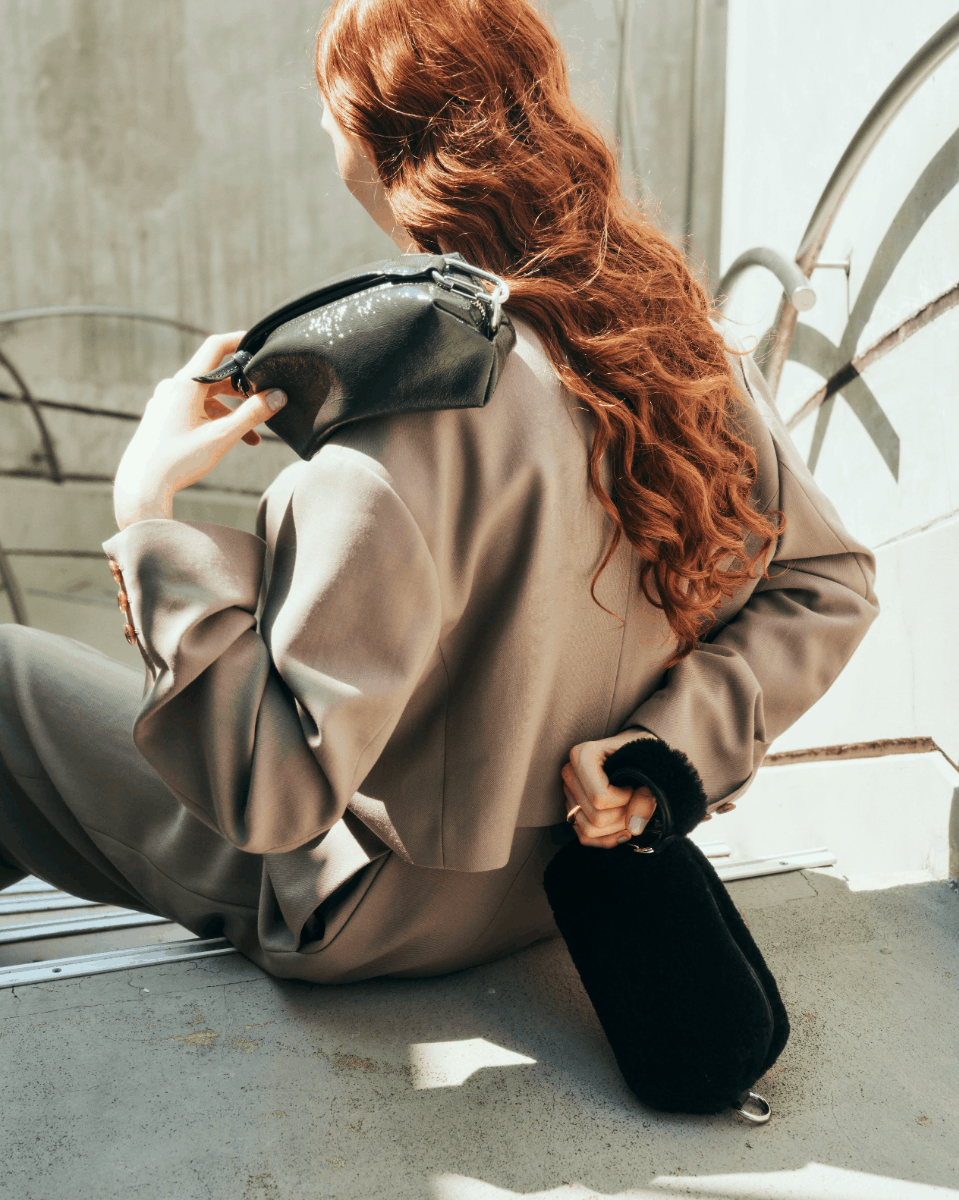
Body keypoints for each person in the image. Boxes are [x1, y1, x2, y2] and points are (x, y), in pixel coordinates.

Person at [0, 0, 877, 984]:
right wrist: (658, 754)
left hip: (368, 906)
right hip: (568, 883)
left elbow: (273, 795)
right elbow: (828, 585)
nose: (318, 122)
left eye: (328, 103)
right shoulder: (684, 348)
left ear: (370, 137)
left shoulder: (411, 418)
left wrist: (147, 513)